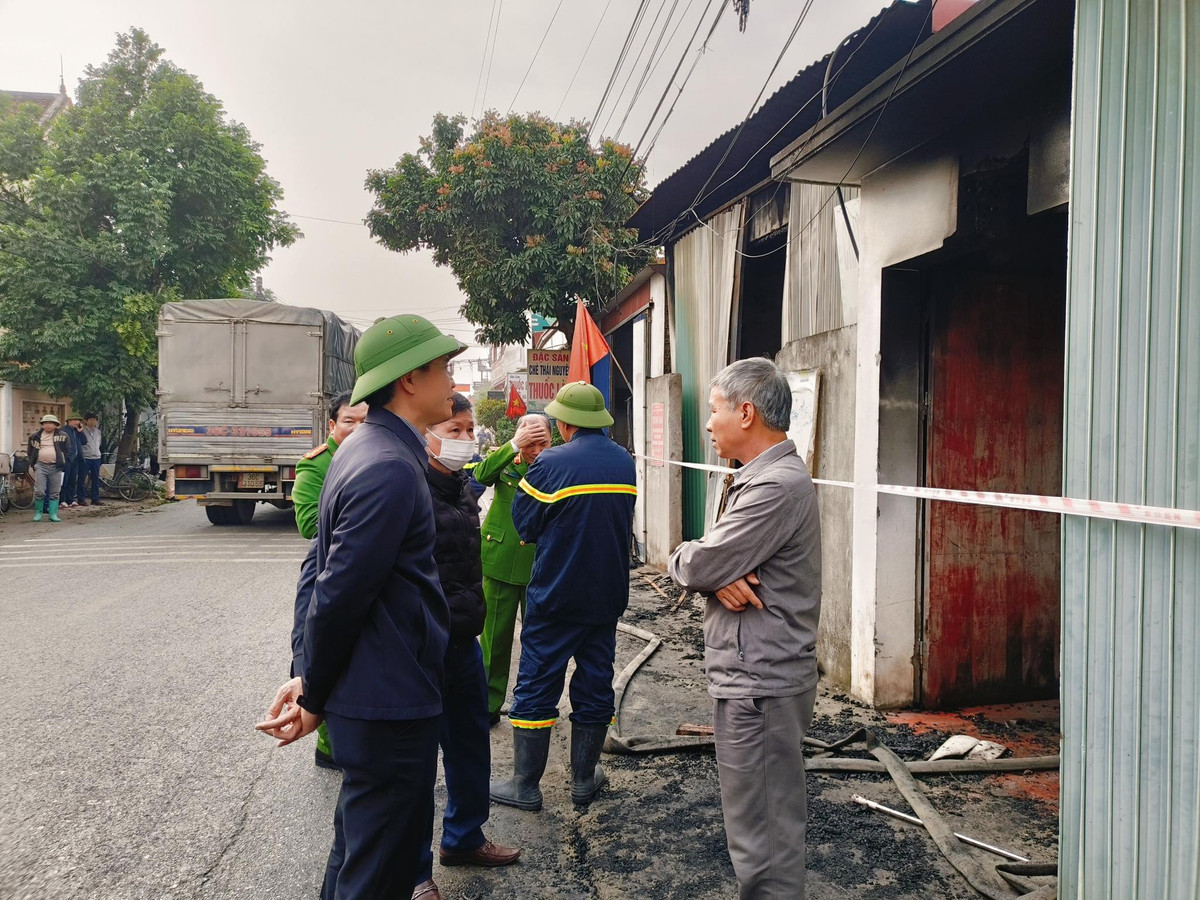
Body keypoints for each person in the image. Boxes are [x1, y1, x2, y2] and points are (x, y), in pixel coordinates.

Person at [256, 314, 465, 900]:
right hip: (388, 701)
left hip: (379, 692)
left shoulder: (369, 449)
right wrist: (313, 692)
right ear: (408, 380)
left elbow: (322, 576)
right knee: (378, 872)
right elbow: (337, 593)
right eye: (442, 368)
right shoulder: (389, 467)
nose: (451, 381)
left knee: (358, 852)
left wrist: (311, 678)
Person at [667, 358, 822, 900]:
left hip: (760, 683)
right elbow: (716, 566)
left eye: (715, 410)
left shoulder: (774, 486)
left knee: (765, 840)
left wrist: (697, 565)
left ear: (747, 413)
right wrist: (717, 577)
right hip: (755, 676)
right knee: (756, 826)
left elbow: (699, 563)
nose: (708, 424)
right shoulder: (755, 477)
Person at [490, 382, 636, 811]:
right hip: (606, 596)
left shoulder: (550, 463)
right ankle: (584, 780)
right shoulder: (624, 460)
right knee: (595, 682)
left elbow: (526, 526)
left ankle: (525, 786)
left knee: (537, 683)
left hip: (556, 595)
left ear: (564, 424)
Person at [413, 393, 520, 900]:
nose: (465, 439)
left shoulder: (460, 485)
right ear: (426, 434)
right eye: (453, 430)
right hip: (418, 649)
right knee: (415, 763)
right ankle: (414, 872)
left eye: (469, 429)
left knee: (470, 743)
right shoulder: (408, 488)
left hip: (462, 641)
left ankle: (464, 838)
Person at [288, 390, 368, 769]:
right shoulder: (317, 464)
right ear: (332, 425)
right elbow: (308, 524)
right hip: (327, 568)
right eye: (349, 421)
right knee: (322, 652)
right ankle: (327, 745)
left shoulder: (380, 455)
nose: (357, 428)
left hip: (366, 568)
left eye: (365, 421)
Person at [471, 414, 552, 726]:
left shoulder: (556, 465)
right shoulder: (505, 460)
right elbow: (481, 475)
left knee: (539, 641)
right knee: (494, 639)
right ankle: (488, 705)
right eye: (530, 443)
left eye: (542, 443)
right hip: (500, 562)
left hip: (539, 564)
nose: (536, 450)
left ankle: (534, 706)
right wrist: (513, 446)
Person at [27, 414, 70, 522]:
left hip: (56, 467)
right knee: (39, 490)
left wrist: (63, 461)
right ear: (42, 425)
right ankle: (38, 512)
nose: (48, 425)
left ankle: (53, 514)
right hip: (40, 466)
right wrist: (33, 463)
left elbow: (68, 449)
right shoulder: (35, 436)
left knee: (55, 491)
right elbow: (30, 450)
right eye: (45, 423)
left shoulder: (63, 435)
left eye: (50, 423)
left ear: (56, 425)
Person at [60, 415, 87, 508]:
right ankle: (62, 500)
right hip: (67, 459)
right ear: (68, 421)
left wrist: (81, 431)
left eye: (78, 420)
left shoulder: (77, 431)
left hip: (76, 458)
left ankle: (70, 499)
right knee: (65, 480)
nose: (77, 422)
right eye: (74, 420)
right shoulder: (63, 431)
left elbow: (84, 441)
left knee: (72, 480)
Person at [80, 413, 102, 506]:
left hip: (96, 458)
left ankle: (95, 499)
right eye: (91, 420)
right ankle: (81, 499)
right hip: (86, 457)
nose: (93, 422)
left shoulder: (98, 432)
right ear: (86, 421)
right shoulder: (82, 431)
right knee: (82, 479)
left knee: (95, 479)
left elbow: (99, 443)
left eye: (94, 420)